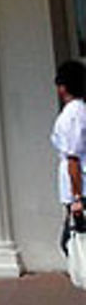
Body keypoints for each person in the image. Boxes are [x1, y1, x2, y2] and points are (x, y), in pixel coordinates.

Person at [50, 59, 86, 260]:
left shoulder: (72, 115)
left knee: (71, 242)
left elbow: (73, 158)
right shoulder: (81, 111)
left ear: (63, 87)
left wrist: (77, 197)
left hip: (80, 187)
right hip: (79, 185)